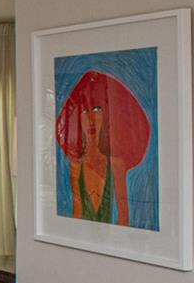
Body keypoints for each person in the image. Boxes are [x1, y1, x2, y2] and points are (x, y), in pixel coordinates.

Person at [55, 70, 151, 227]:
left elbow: (124, 218)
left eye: (97, 110)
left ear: (106, 117)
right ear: (78, 119)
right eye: (85, 112)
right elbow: (77, 214)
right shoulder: (76, 166)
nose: (91, 119)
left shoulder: (116, 164)